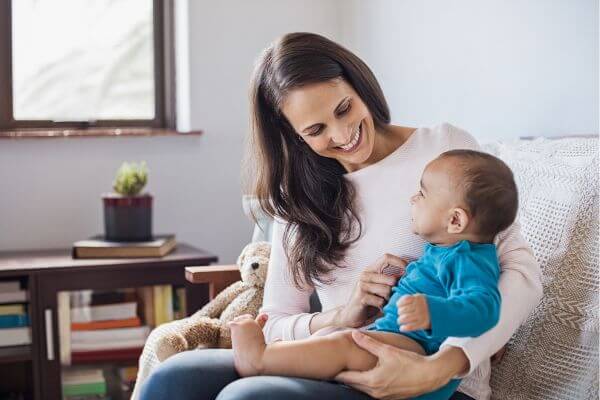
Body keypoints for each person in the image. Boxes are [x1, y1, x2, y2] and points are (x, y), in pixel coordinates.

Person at [139, 32, 542, 400]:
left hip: (431, 381)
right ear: (294, 137)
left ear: (357, 83)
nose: (342, 134)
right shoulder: (298, 195)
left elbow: (520, 274)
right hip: (337, 358)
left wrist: (443, 366)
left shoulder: (444, 152)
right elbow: (276, 322)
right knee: (175, 377)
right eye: (315, 130)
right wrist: (341, 315)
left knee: (248, 398)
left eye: (345, 108)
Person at [228, 149, 516, 400]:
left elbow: (485, 309)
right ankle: (271, 358)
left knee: (345, 344)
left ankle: (262, 359)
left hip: (416, 354)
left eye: (422, 194)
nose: (413, 198)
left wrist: (432, 312)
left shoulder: (469, 259)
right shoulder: (446, 251)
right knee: (343, 344)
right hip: (399, 340)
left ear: (455, 220)